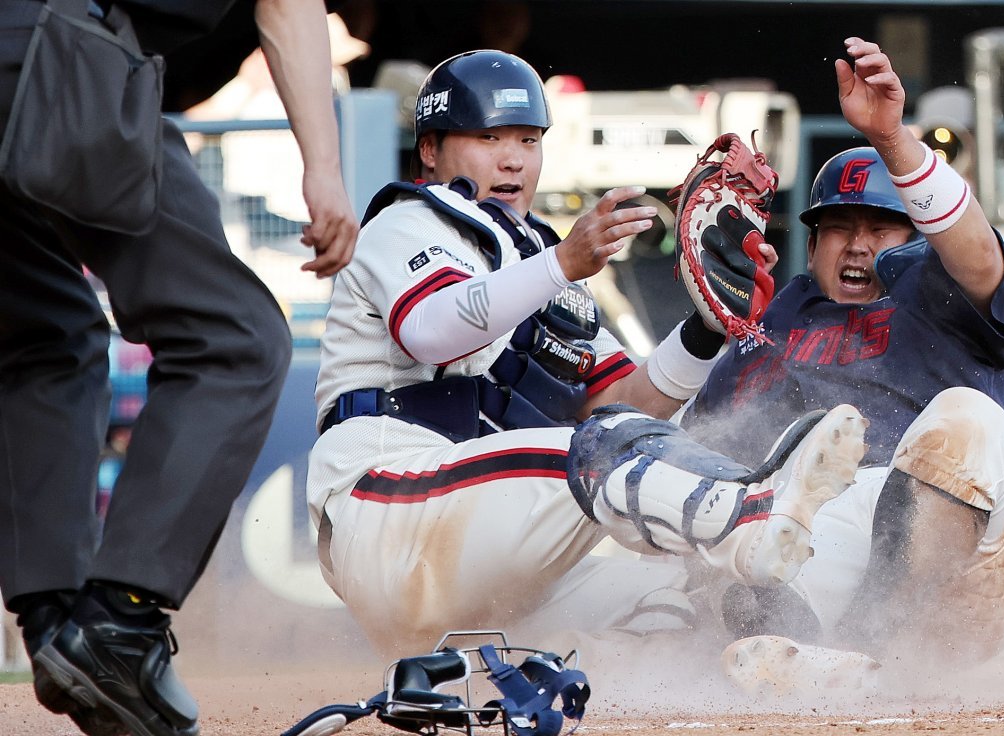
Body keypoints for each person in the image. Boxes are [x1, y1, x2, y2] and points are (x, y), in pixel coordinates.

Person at [306, 48, 869, 656]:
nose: (512, 158)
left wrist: (706, 329)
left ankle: (758, 660)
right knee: (605, 450)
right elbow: (433, 328)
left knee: (684, 598)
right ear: (431, 150)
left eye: (527, 139)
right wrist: (562, 262)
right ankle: (754, 512)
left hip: (489, 564)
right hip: (390, 516)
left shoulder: (547, 271)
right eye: (487, 136)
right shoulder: (410, 222)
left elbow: (627, 405)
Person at [0, 2, 358, 735]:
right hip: (53, 53)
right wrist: (323, 167)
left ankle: (53, 619)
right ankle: (117, 627)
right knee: (237, 337)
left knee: (46, 339)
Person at [673, 37, 1004, 670]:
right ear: (812, 245)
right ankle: (838, 670)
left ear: (916, 237)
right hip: (826, 538)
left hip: (963, 563)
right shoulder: (775, 318)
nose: (856, 244)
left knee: (968, 419)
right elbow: (706, 443)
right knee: (749, 565)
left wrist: (896, 140)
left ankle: (877, 638)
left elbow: (978, 257)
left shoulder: (939, 291)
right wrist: (707, 330)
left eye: (879, 227)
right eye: (838, 227)